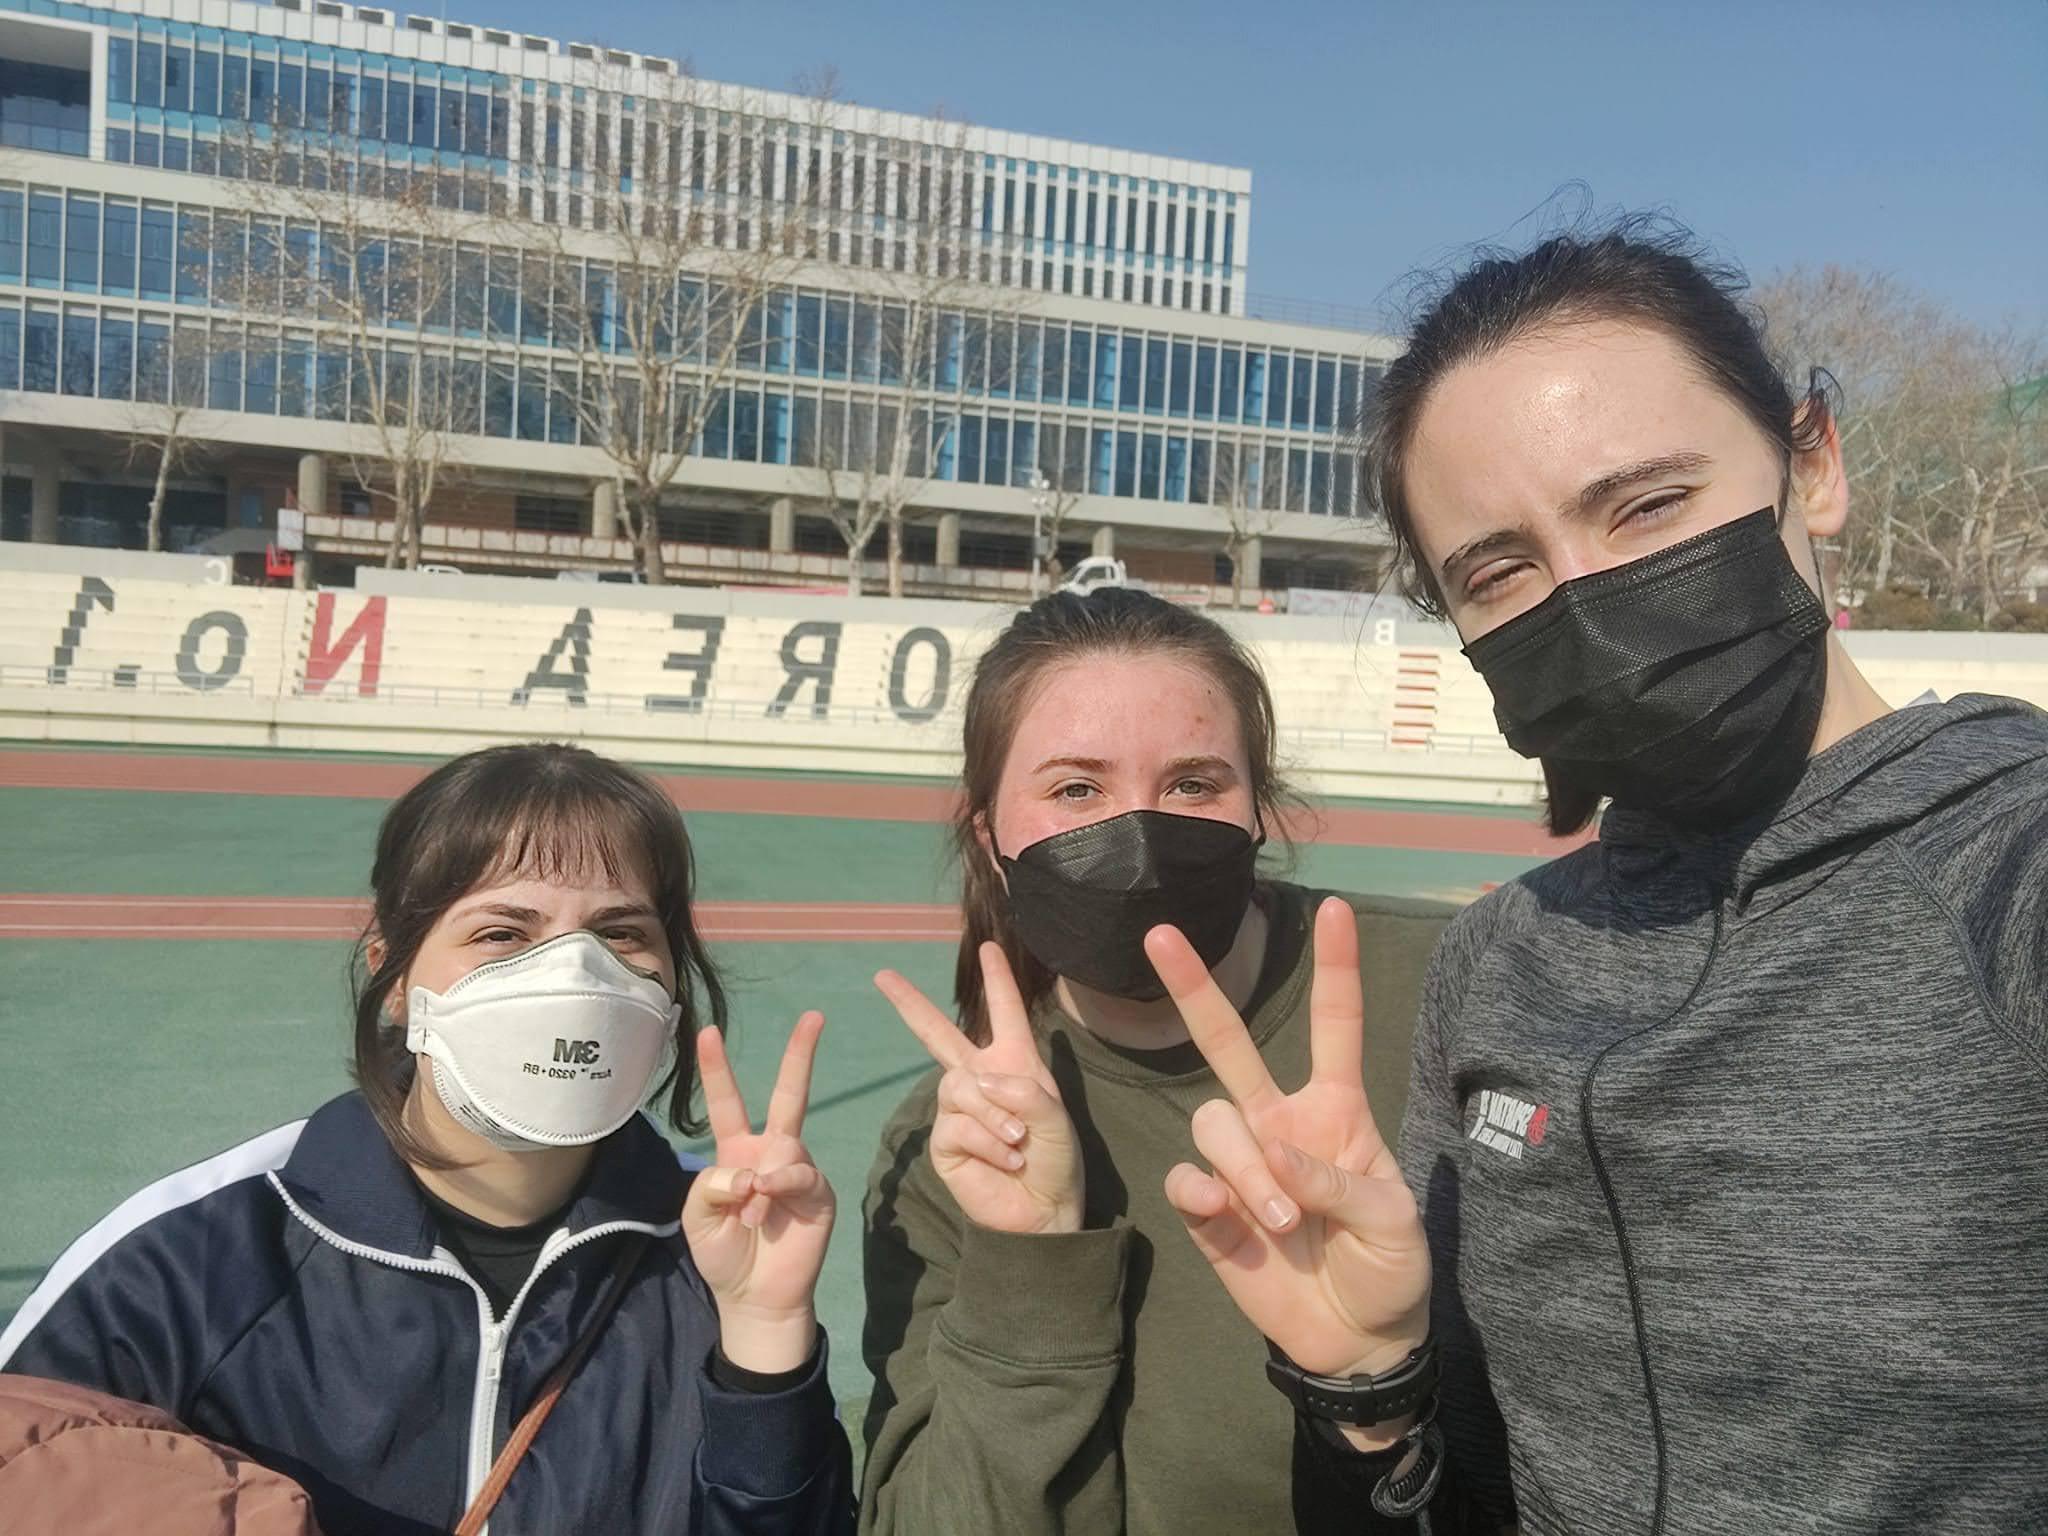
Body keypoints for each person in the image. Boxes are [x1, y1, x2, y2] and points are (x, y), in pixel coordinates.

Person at [1155, 220, 2048, 1531]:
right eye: (1499, 568)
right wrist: (1367, 1389)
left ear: (1814, 467)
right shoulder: (1498, 960)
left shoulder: (2010, 866)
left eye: (1647, 504)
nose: (1589, 593)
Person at [0, 743, 855, 1535]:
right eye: (503, 934)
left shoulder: (718, 1253)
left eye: (620, 932)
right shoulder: (188, 1260)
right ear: (394, 974)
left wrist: (765, 1338)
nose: (572, 972)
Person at [858, 588, 1453, 1534]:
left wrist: (1375, 1391)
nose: (1139, 840)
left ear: (1259, 808)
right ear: (991, 837)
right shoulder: (956, 1150)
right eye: (1076, 790)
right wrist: (1031, 1259)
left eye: (1191, 783)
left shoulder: (1447, 989)